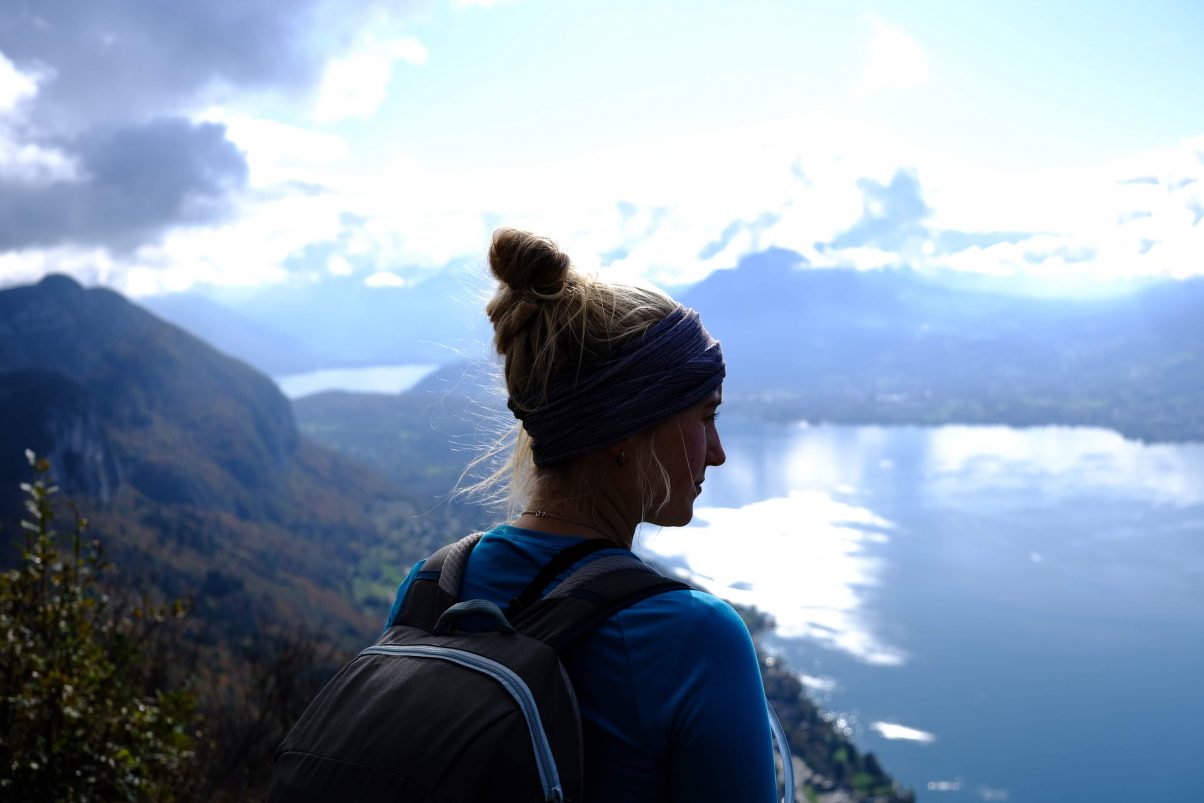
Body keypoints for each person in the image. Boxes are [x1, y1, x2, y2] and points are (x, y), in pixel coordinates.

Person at [384, 228, 779, 802]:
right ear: (629, 428)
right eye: (704, 417)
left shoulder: (428, 590)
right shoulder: (695, 641)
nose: (717, 452)